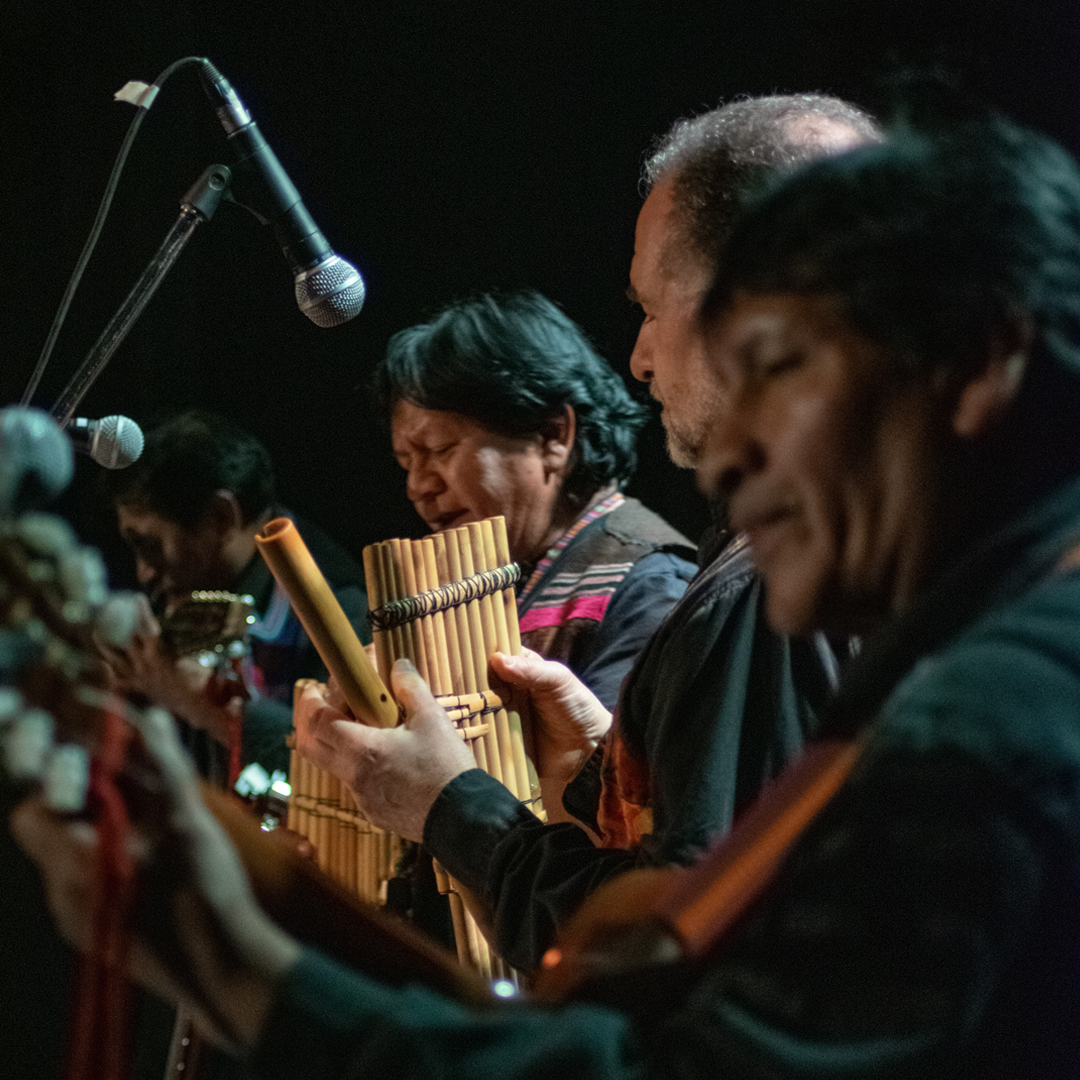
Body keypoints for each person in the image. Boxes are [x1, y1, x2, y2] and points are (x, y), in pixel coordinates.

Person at [16, 102, 1080, 1080]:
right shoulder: (972, 661)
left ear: (977, 360)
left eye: (778, 363)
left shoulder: (994, 721)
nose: (737, 449)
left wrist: (233, 952)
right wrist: (594, 795)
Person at [296, 95, 874, 970]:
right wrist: (609, 765)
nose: (640, 356)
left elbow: (668, 961)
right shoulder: (868, 543)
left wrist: (448, 803)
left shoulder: (760, 585)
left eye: (651, 307)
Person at [376, 290, 698, 712]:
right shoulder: (508, 579)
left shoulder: (653, 588)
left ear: (551, 436)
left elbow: (618, 775)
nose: (418, 486)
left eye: (440, 449)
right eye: (406, 463)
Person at [101, 409, 369, 781]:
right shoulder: (200, 587)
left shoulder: (341, 605)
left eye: (150, 546)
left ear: (221, 517)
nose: (143, 572)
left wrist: (203, 705)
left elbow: (358, 768)